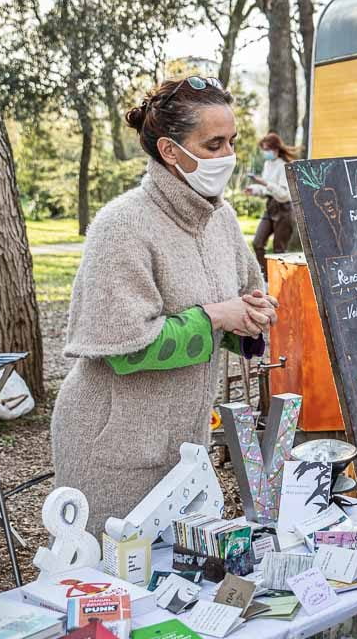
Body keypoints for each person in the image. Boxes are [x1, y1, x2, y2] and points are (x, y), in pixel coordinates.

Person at [51, 76, 277, 535]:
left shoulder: (223, 218)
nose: (228, 156)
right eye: (213, 144)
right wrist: (216, 316)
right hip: (113, 451)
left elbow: (241, 308)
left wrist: (251, 317)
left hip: (186, 446)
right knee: (113, 584)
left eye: (231, 142)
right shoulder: (122, 225)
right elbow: (124, 349)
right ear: (170, 151)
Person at [247, 132, 297, 274]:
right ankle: (265, 275)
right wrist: (254, 189)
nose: (265, 153)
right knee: (257, 242)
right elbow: (266, 190)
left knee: (279, 250)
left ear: (275, 149)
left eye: (267, 149)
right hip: (270, 207)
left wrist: (265, 183)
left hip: (284, 209)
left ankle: (279, 281)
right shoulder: (268, 164)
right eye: (263, 149)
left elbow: (284, 194)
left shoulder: (284, 166)